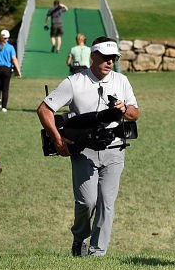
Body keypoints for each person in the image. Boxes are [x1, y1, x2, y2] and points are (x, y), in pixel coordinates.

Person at [37, 37, 140, 257]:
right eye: (105, 57)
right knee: (87, 201)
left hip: (114, 149)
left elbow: (135, 113)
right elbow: (45, 109)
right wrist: (57, 139)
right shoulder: (74, 81)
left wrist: (123, 109)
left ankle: (97, 253)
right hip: (84, 150)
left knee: (106, 203)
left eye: (113, 58)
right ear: (93, 56)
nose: (110, 62)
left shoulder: (121, 81)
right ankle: (79, 238)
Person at [0, 30, 22, 112]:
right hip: (6, 69)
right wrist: (18, 71)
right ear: (7, 38)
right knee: (5, 89)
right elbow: (14, 59)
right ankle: (4, 107)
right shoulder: (10, 47)